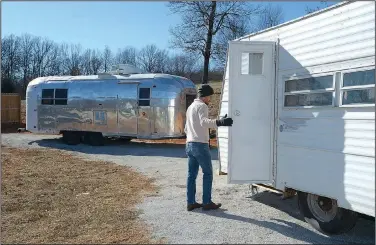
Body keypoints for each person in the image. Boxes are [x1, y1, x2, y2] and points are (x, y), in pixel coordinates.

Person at [184, 84, 233, 211]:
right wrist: (220, 122)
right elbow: (204, 122)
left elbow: (186, 128)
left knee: (191, 175)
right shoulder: (202, 106)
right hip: (200, 144)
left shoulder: (190, 107)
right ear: (205, 96)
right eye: (210, 96)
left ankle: (191, 202)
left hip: (189, 144)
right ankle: (206, 202)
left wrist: (199, 133)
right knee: (208, 173)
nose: (210, 99)